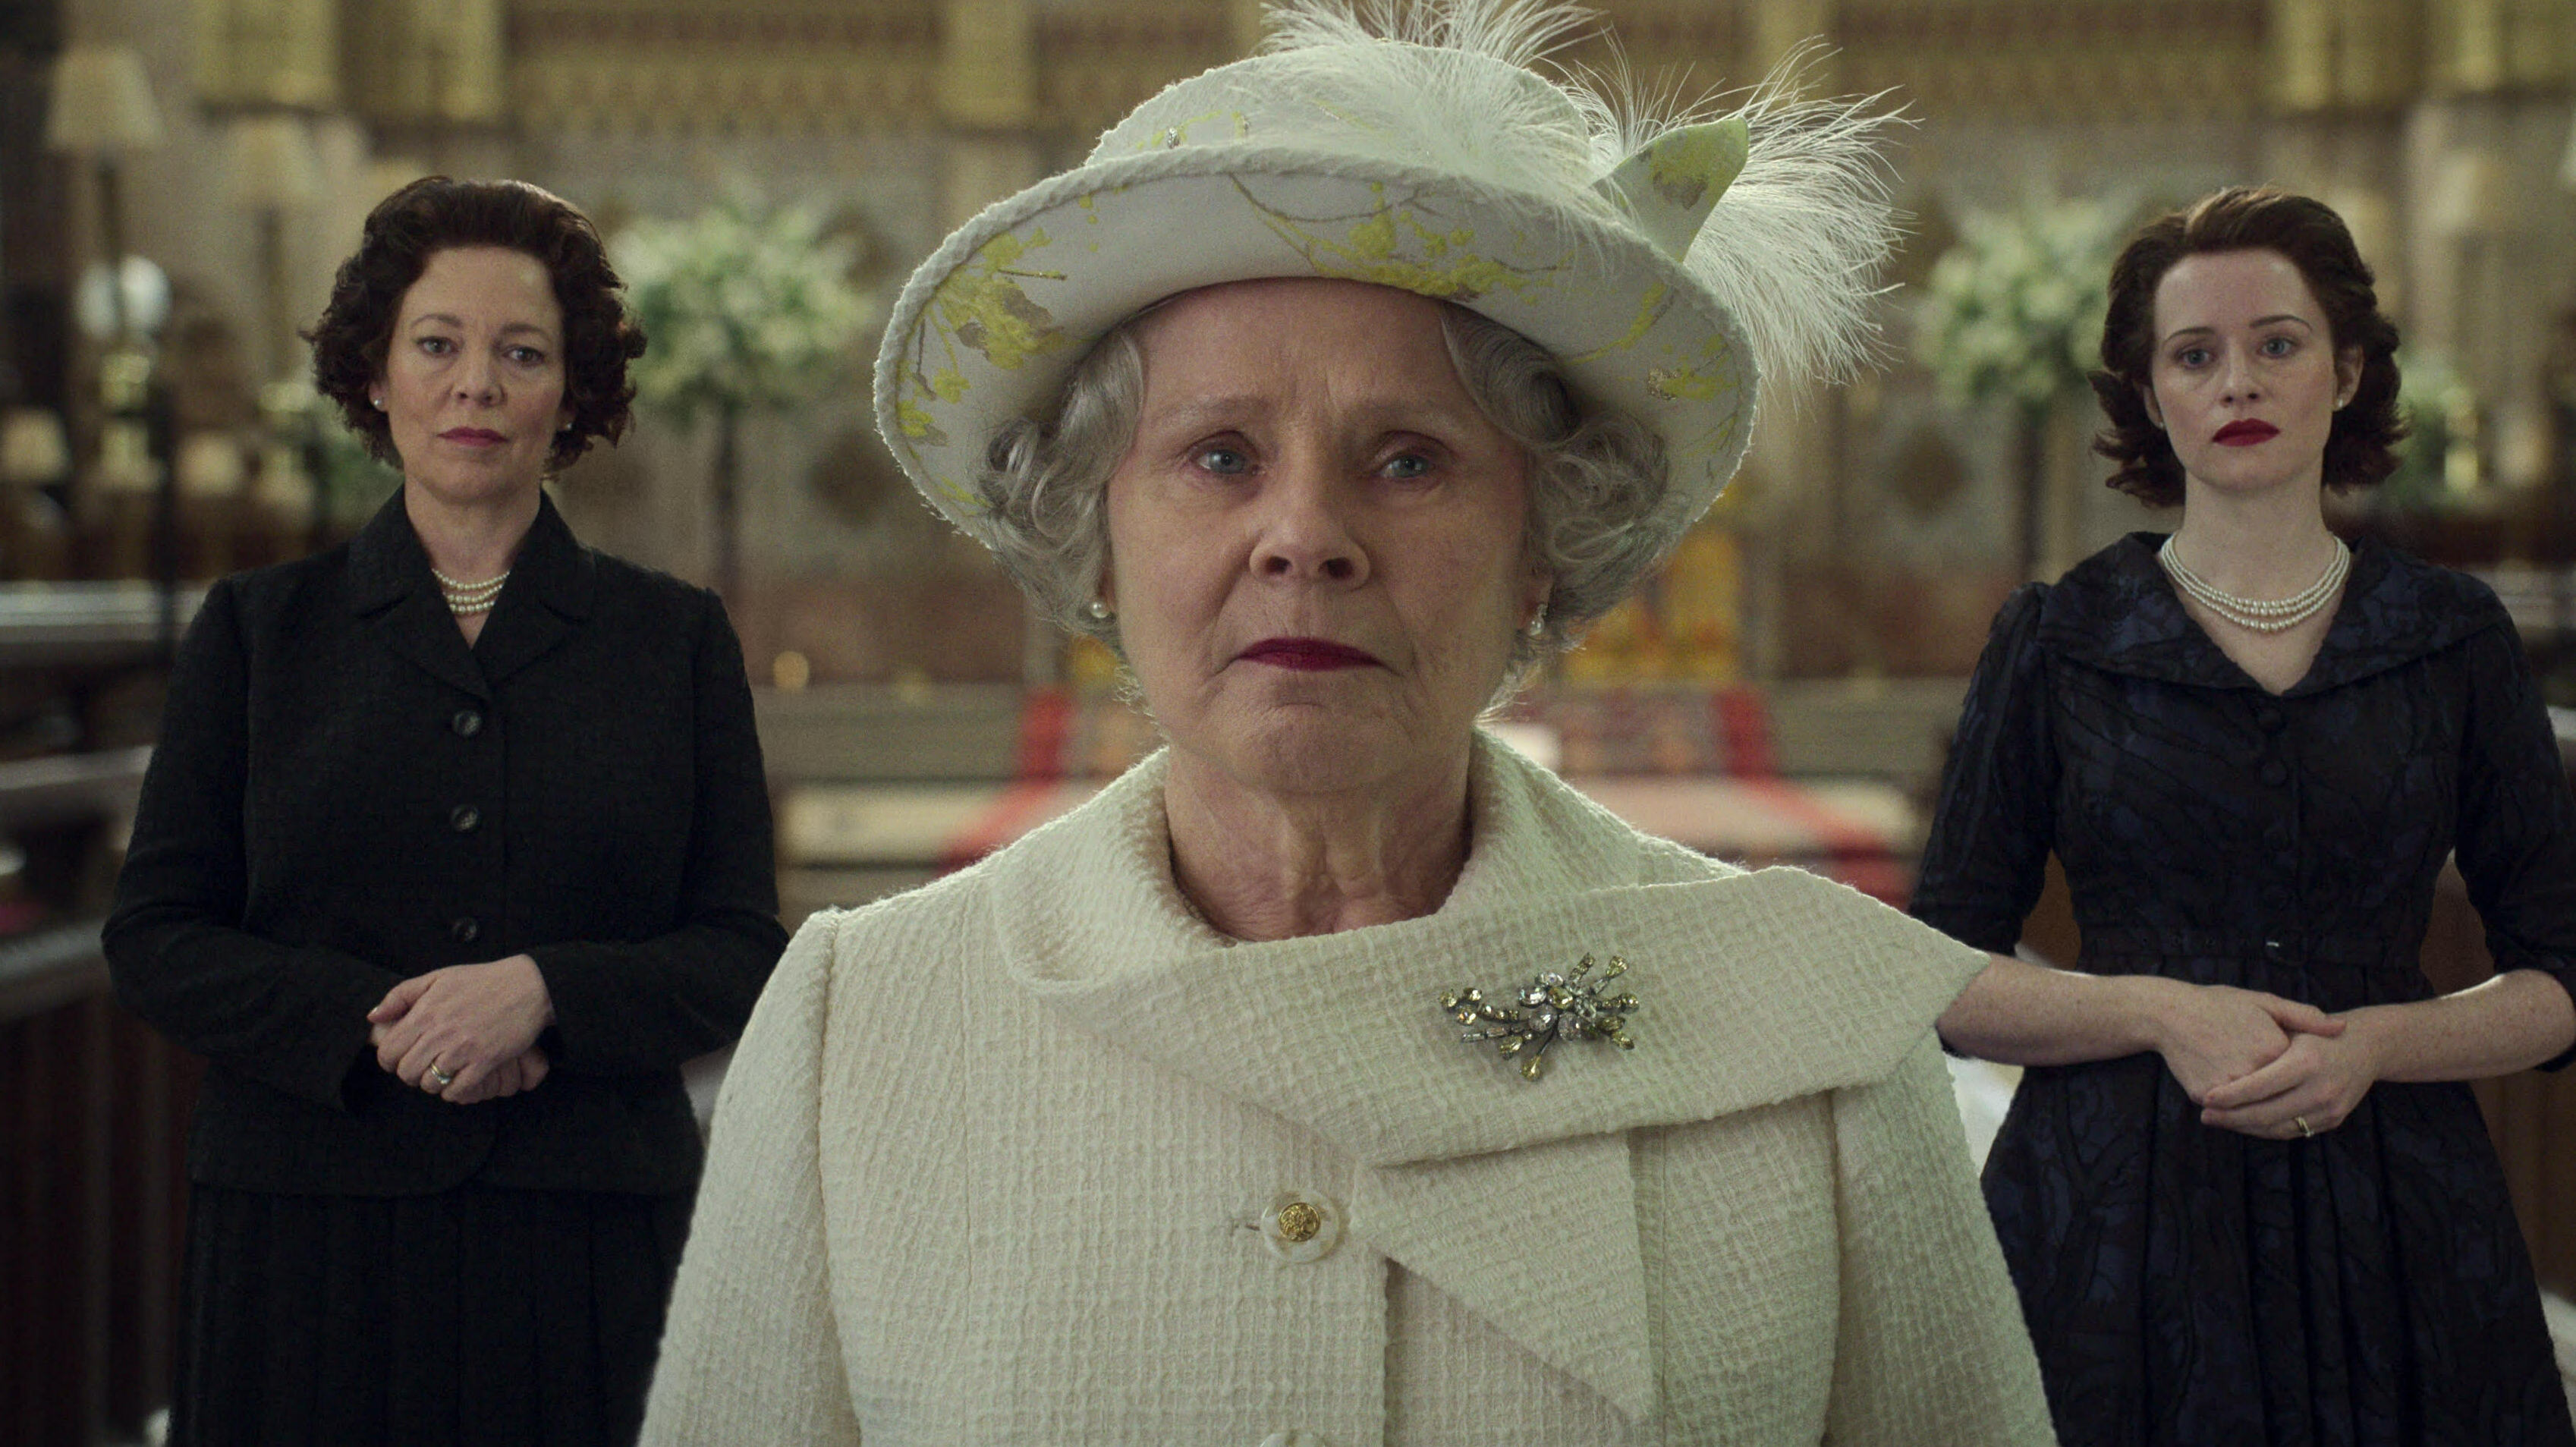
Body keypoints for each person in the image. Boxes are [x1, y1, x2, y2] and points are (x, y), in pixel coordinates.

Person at [641, 4, 2054, 1442]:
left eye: (1408, 458)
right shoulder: (857, 1026)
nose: (1304, 536)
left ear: (1543, 543)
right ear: (1098, 536)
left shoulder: (1814, 1023)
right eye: (1218, 455)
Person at [105, 176, 787, 1447]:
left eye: (520, 352)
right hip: (304, 1235)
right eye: (438, 344)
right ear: (375, 375)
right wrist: (379, 1031)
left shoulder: (671, 640)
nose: (475, 383)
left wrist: (548, 995)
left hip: (587, 1236)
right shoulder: (259, 633)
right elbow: (154, 940)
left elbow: (743, 947)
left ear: (574, 394)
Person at [1914, 184, 2576, 1445]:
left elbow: (2560, 975)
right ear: (2149, 394)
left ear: (2349, 370)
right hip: (2109, 1224)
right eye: (2195, 354)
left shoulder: (2452, 638)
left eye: (2277, 343)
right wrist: (2159, 1009)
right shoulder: (2058, 639)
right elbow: (1941, 974)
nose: (2238, 383)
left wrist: (2379, 1043)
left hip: (2399, 1214)